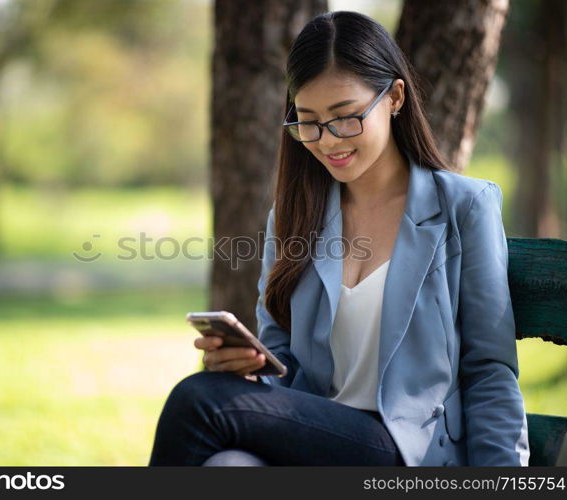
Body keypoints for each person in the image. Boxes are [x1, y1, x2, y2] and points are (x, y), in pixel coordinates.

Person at [148, 10, 529, 466]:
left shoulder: (463, 207)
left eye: (345, 117)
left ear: (395, 97)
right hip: (315, 437)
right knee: (227, 463)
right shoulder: (294, 215)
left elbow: (489, 370)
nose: (328, 141)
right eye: (308, 121)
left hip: (409, 453)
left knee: (200, 400)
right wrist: (248, 373)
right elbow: (282, 359)